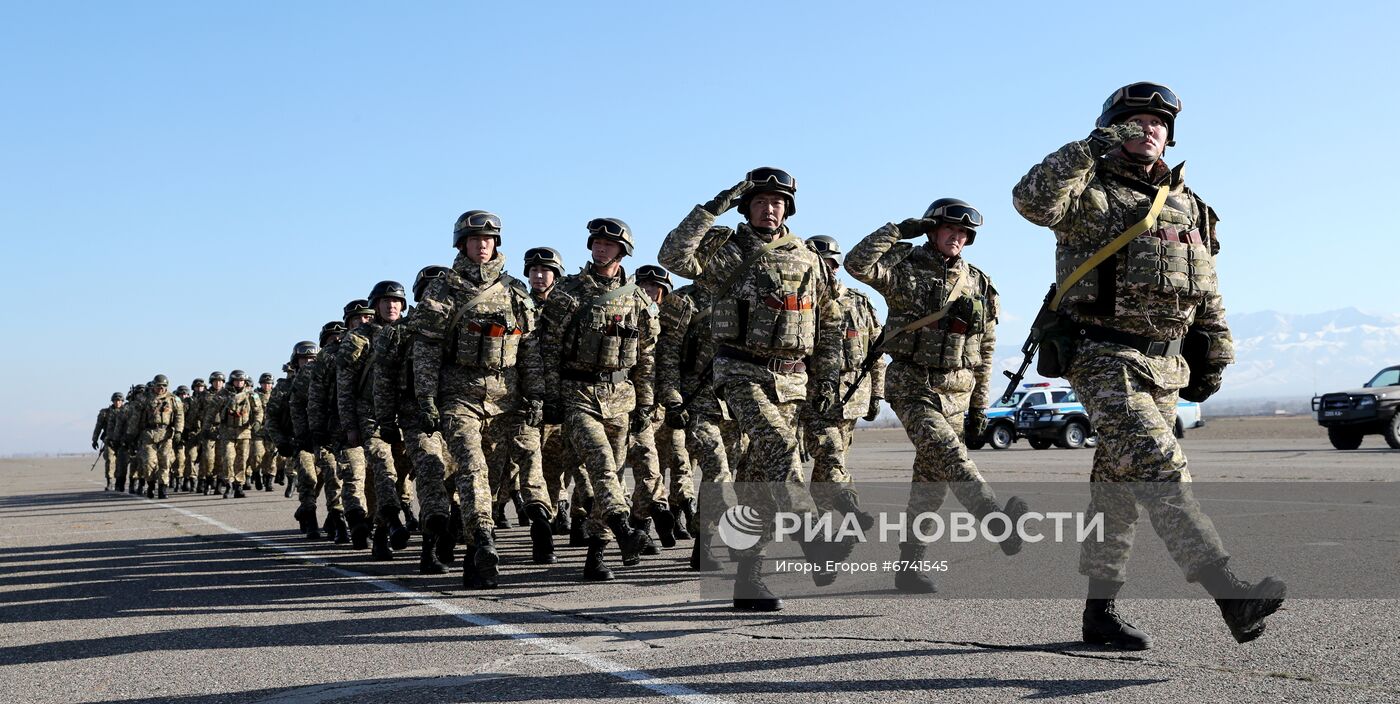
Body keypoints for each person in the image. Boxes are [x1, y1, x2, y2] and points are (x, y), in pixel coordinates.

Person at [1011, 81, 1284, 648]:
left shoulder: (1190, 206)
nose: (1149, 128)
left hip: (1164, 366)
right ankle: (1229, 592)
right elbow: (1031, 200)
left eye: (1159, 122)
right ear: (1114, 126)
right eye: (1135, 119)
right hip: (1102, 354)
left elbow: (1207, 290)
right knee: (1161, 467)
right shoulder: (1086, 189)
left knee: (1117, 490)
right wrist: (1090, 146)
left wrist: (1217, 351)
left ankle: (1099, 615)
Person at [658, 167, 848, 611]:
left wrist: (827, 380)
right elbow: (673, 255)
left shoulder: (806, 256)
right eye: (760, 201)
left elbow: (829, 319)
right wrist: (714, 206)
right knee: (780, 447)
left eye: (777, 202)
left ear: (789, 209)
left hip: (793, 379)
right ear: (747, 207)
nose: (769, 208)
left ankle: (748, 577)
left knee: (756, 480)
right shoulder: (724, 249)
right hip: (740, 370)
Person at [846, 198, 1029, 595]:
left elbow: (985, 350)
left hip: (958, 394)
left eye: (963, 233)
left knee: (930, 482)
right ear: (931, 229)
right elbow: (856, 264)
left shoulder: (979, 282)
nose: (956, 237)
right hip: (913, 385)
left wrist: (980, 406)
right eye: (948, 229)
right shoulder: (904, 267)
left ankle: (909, 566)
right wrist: (896, 231)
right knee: (949, 454)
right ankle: (997, 521)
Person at [413, 210, 552, 588]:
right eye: (475, 240)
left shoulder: (515, 291)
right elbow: (426, 350)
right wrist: (426, 398)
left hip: (506, 400)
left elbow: (530, 350)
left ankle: (475, 554)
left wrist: (536, 395)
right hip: (460, 397)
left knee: (492, 478)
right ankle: (484, 541)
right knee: (471, 467)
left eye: (489, 239)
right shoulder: (443, 290)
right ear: (462, 244)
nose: (483, 245)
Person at [538, 217, 659, 581]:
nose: (600, 248)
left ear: (622, 251)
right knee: (601, 463)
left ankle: (597, 553)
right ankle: (623, 530)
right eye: (596, 243)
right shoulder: (569, 292)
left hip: (621, 395)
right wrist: (548, 395)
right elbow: (546, 347)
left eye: (608, 244)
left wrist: (646, 403)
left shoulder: (638, 298)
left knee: (611, 475)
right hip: (577, 392)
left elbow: (648, 355)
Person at [375, 265, 458, 574]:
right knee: (430, 474)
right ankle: (429, 548)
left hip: (456, 415)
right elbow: (382, 382)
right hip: (415, 419)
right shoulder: (398, 334)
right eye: (429, 294)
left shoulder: (457, 330)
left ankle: (448, 533)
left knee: (458, 479)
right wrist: (385, 421)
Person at [799, 236, 881, 527]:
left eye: (832, 265)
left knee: (830, 462)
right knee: (830, 451)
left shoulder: (859, 303)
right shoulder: (800, 304)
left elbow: (876, 352)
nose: (828, 271)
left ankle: (817, 528)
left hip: (852, 397)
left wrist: (877, 395)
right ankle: (851, 508)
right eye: (822, 265)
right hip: (812, 395)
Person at [340, 280, 417, 559]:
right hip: (370, 416)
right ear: (375, 306)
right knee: (384, 470)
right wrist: (350, 427)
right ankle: (395, 522)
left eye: (396, 301)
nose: (391, 305)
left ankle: (382, 533)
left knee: (399, 476)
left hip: (403, 416)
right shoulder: (358, 339)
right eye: (385, 301)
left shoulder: (411, 333)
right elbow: (345, 387)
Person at [124, 375, 184, 499]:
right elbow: (135, 418)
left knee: (165, 461)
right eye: (158, 386)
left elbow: (179, 416)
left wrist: (178, 431)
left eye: (164, 386)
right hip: (148, 434)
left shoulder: (173, 399)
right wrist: (130, 434)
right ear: (154, 385)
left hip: (166, 434)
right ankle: (151, 485)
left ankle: (163, 488)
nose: (161, 388)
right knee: (149, 462)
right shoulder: (144, 399)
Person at [215, 370, 262, 498]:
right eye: (237, 380)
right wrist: (208, 427)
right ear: (232, 381)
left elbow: (258, 411)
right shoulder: (223, 394)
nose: (239, 383)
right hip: (227, 432)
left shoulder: (251, 395)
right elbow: (212, 411)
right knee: (228, 459)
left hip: (244, 432)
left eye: (241, 381)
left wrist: (257, 422)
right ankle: (228, 484)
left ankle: (239, 486)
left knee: (242, 460)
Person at [92, 392, 124, 490]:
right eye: (115, 400)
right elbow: (98, 427)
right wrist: (95, 440)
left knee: (121, 462)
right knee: (110, 461)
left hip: (122, 442)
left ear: (122, 401)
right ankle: (109, 482)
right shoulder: (105, 413)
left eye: (119, 401)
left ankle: (119, 482)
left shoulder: (127, 412)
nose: (117, 402)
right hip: (109, 441)